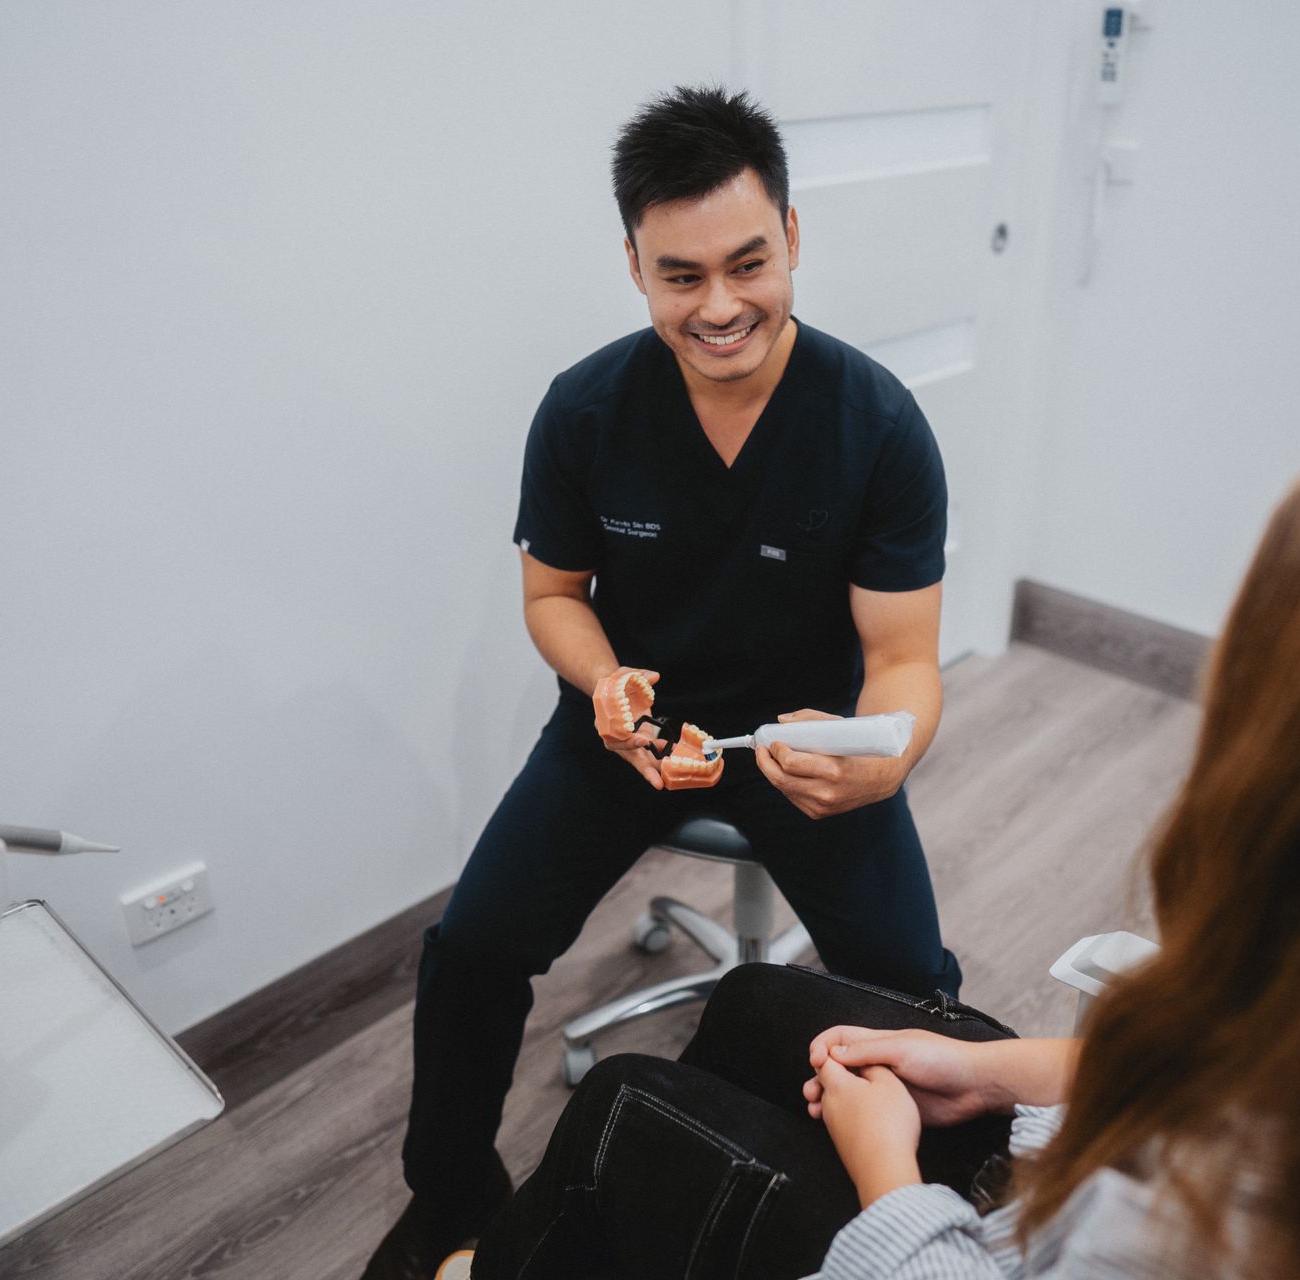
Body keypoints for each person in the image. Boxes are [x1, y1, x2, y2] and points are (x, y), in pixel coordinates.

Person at [462, 428, 1300, 1279]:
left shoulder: (1232, 1224)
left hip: (970, 1238)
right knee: (749, 1002)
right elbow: (1239, 1061)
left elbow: (903, 663)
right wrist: (996, 1070)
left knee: (624, 1104)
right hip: (1048, 1151)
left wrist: (892, 1180)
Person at [364, 85, 965, 1279]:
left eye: (748, 264)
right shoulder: (586, 410)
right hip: (623, 729)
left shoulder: (877, 426)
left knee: (916, 988)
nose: (721, 306)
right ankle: (452, 1195)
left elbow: (904, 658)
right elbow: (553, 595)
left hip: (807, 742)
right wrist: (603, 685)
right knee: (471, 948)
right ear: (635, 266)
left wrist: (887, 755)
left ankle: (917, 1215)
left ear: (792, 238)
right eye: (681, 276)